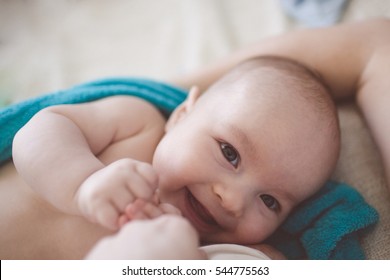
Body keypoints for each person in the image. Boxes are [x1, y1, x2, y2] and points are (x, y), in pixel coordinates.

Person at [0, 18, 388, 260]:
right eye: (230, 153)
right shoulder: (136, 124)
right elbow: (38, 131)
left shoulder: (217, 253)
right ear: (182, 116)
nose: (233, 200)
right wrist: (83, 182)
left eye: (270, 202)